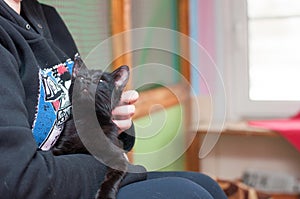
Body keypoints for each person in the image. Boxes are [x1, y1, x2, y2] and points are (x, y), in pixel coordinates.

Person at [0, 0, 227, 198]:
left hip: (89, 164)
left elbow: (82, 107)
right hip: (51, 184)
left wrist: (115, 121)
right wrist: (111, 165)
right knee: (189, 194)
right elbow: (21, 182)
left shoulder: (47, 17)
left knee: (208, 186)